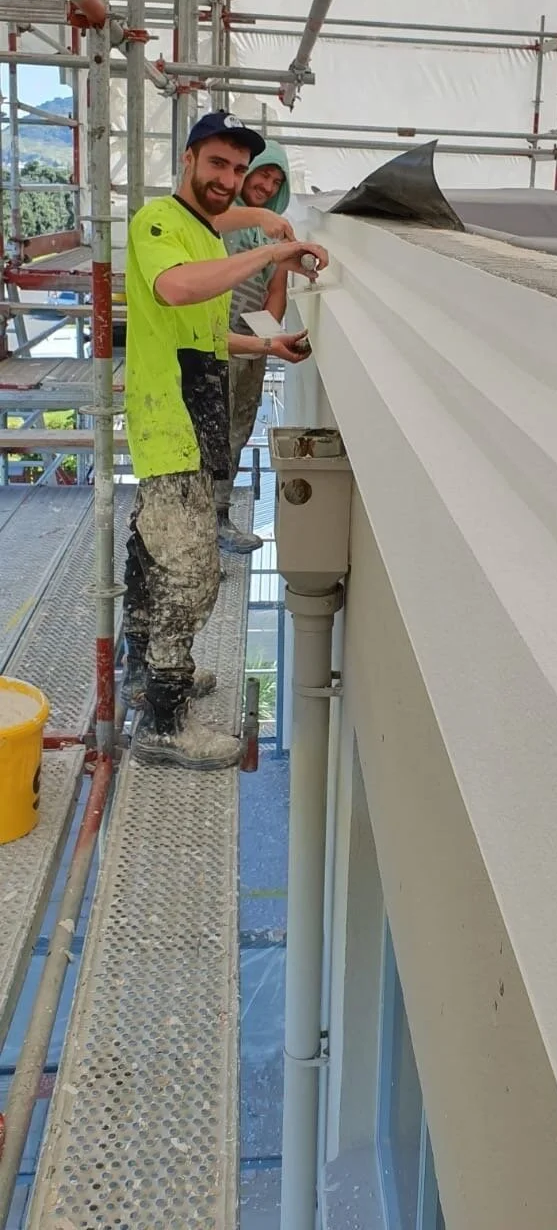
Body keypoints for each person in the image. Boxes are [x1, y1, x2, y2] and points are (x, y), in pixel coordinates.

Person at [122, 109, 327, 771]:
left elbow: (207, 337)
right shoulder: (160, 223)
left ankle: (143, 673)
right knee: (192, 576)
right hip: (170, 422)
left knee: (155, 557)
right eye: (220, 164)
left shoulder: (207, 237)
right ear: (189, 160)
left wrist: (267, 343)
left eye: (239, 169)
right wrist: (272, 248)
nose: (230, 179)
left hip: (191, 418)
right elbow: (174, 290)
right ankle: (163, 720)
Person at [214, 137, 293, 554]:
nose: (267, 185)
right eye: (264, 173)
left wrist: (267, 334)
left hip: (249, 348)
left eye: (277, 181)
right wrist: (261, 218)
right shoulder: (221, 219)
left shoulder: (274, 235)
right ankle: (193, 519)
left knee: (237, 432)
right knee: (205, 434)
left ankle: (218, 518)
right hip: (210, 345)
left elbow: (276, 290)